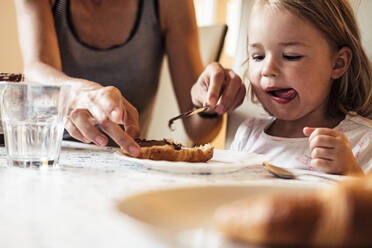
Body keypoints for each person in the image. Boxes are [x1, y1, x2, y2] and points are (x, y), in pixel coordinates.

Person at [14, 0, 246, 156]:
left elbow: (198, 131)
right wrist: (79, 95)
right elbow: (36, 70)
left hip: (128, 164)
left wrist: (208, 102)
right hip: (47, 155)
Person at [200, 0, 372, 175]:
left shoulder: (363, 140)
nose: (267, 70)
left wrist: (352, 173)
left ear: (337, 63)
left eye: (291, 56)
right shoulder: (248, 135)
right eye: (258, 57)